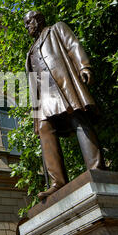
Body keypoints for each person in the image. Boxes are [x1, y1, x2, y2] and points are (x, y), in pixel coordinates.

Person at [24, 10, 106, 200]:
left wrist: (84, 65)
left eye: (29, 22)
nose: (27, 27)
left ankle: (97, 168)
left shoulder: (56, 29)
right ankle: (57, 182)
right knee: (45, 128)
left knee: (77, 117)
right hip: (43, 95)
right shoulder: (30, 52)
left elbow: (73, 45)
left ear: (38, 19)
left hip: (62, 83)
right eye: (26, 24)